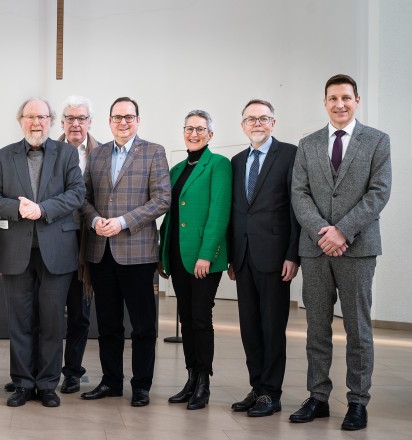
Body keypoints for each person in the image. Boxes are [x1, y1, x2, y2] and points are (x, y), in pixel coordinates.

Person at [290, 74, 392, 431]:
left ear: (357, 100)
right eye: (333, 98)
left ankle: (357, 401)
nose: (340, 104)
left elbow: (379, 192)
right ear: (325, 103)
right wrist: (323, 233)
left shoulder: (377, 140)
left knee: (358, 329)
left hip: (358, 249)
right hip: (316, 249)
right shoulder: (308, 143)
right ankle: (317, 397)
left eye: (346, 97)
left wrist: (343, 230)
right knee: (316, 327)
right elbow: (299, 194)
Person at [0, 98, 85, 408]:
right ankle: (23, 383)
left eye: (42, 116)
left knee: (53, 321)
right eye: (30, 116)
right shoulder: (2, 156)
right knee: (20, 320)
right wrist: (19, 208)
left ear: (51, 121)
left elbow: (77, 194)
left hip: (57, 251)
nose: (36, 122)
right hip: (17, 251)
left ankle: (47, 384)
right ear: (21, 121)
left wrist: (41, 209)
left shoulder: (67, 153)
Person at [81, 97, 170, 407]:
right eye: (117, 117)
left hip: (137, 252)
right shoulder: (97, 154)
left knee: (143, 325)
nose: (123, 122)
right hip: (101, 251)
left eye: (129, 117)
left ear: (138, 120)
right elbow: (84, 196)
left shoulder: (154, 152)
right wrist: (94, 220)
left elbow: (161, 200)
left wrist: (121, 222)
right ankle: (111, 382)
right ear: (108, 121)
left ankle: (141, 386)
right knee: (108, 323)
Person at [227, 100, 300, 417]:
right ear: (243, 125)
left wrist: (292, 254)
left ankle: (272, 393)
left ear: (273, 122)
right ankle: (257, 388)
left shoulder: (290, 155)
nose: (257, 123)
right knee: (249, 328)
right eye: (250, 119)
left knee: (272, 328)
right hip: (243, 258)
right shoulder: (237, 160)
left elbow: (297, 208)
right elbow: (234, 211)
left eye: (263, 118)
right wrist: (231, 254)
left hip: (275, 258)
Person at [158, 109, 231, 410]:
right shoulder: (175, 169)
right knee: (185, 317)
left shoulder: (219, 165)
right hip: (177, 255)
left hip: (203, 258)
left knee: (201, 317)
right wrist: (162, 253)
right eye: (189, 128)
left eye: (201, 129)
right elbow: (171, 217)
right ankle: (190, 378)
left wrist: (206, 255)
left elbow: (219, 213)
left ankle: (204, 382)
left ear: (211, 134)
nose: (194, 133)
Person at [56, 95, 100, 393]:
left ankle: (72, 370)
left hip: (86, 242)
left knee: (80, 313)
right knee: (45, 310)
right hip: (54, 239)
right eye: (70, 118)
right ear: (62, 122)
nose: (75, 124)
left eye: (81, 118)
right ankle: (35, 370)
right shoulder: (48, 151)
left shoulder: (103, 154)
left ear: (89, 122)